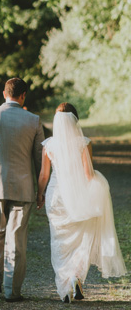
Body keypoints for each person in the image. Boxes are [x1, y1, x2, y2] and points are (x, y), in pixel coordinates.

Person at [37, 103, 127, 303]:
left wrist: (39, 195)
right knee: (81, 239)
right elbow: (88, 174)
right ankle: (75, 278)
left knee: (59, 241)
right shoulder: (84, 143)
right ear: (75, 121)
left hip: (56, 196)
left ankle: (65, 286)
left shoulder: (49, 145)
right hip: (77, 196)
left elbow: (44, 175)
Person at [0, 77, 44, 302]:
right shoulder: (34, 121)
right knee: (16, 237)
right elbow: (40, 161)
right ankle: (12, 290)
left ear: (4, 93)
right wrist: (40, 190)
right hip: (23, 187)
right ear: (23, 96)